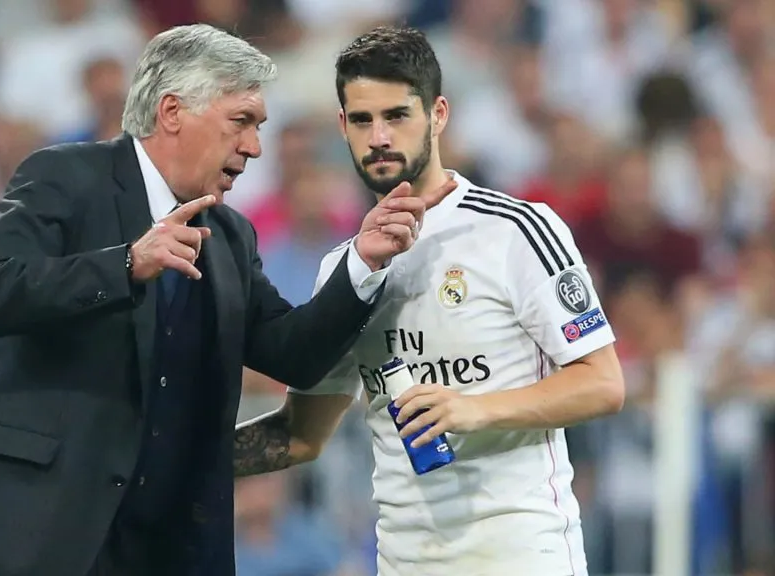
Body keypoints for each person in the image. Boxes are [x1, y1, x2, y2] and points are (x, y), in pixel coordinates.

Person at [0, 24, 444, 576]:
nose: (255, 147)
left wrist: (363, 261)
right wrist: (126, 264)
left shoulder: (230, 237)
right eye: (241, 122)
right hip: (28, 532)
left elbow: (294, 354)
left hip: (159, 547)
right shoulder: (63, 176)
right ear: (173, 112)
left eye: (258, 127)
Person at [231, 27, 626, 576]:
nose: (379, 137)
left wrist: (472, 409)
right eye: (363, 120)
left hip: (521, 555)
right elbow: (301, 436)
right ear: (342, 126)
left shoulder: (516, 229)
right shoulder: (345, 270)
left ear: (438, 114)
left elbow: (603, 383)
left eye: (397, 115)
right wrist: (175, 456)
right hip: (405, 561)